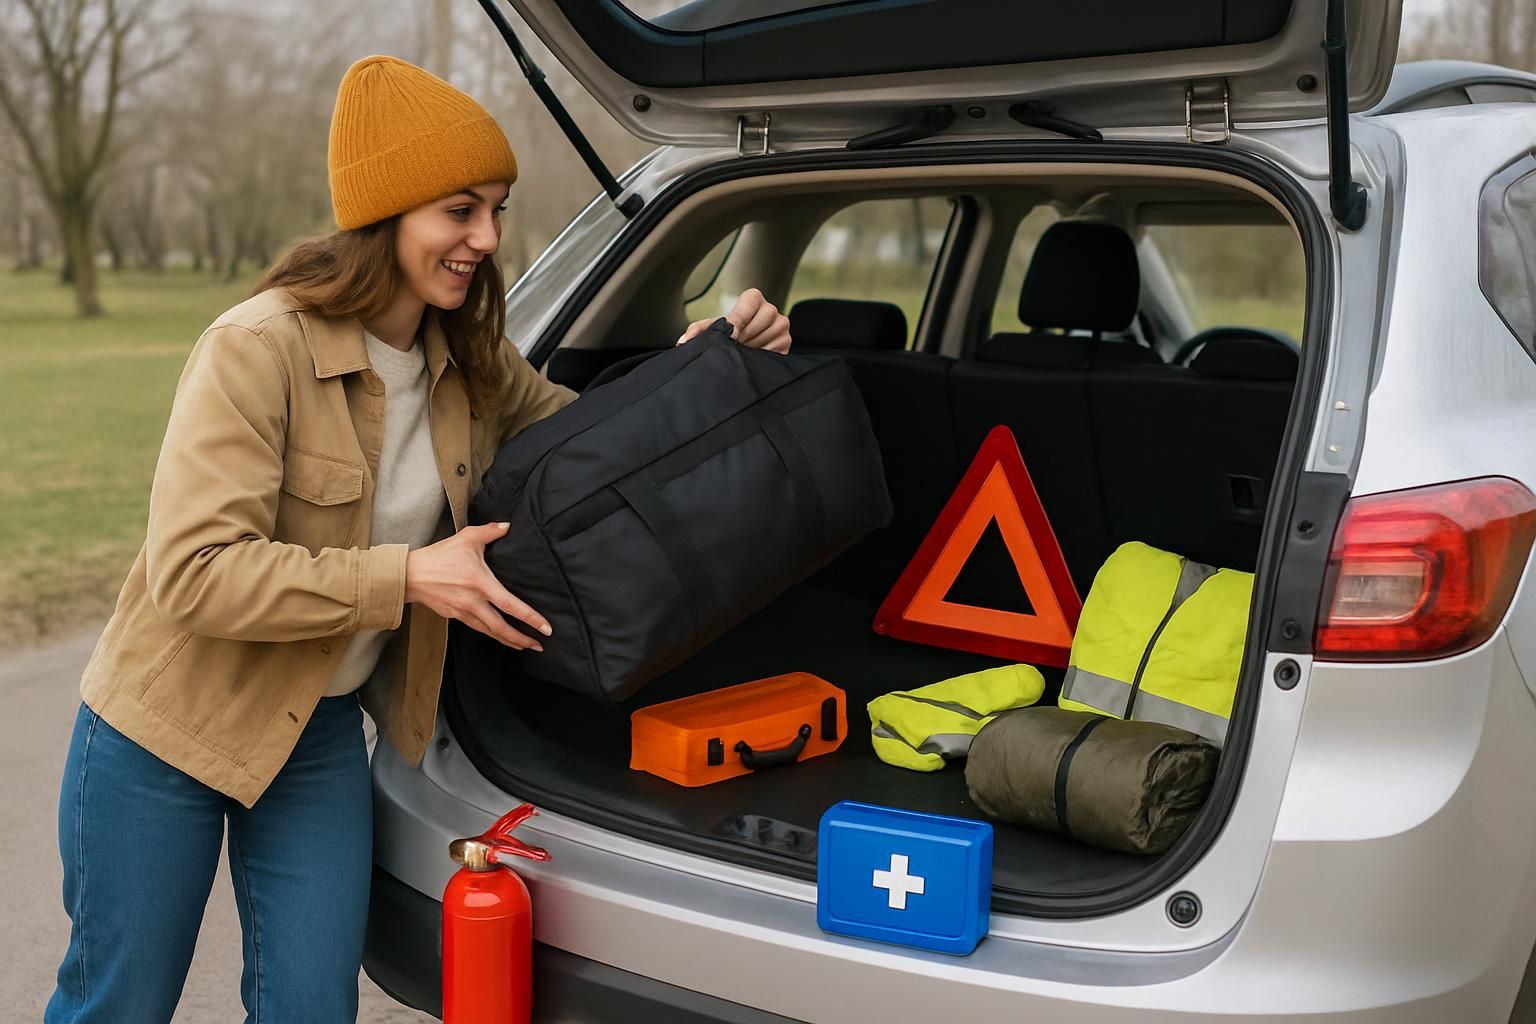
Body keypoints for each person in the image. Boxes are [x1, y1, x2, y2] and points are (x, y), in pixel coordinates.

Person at [44, 54, 791, 1024]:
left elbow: (595, 446)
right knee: (119, 1005)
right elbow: (195, 574)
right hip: (165, 730)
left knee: (312, 1007)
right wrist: (407, 576)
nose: (487, 238)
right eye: (460, 210)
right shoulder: (255, 348)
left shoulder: (473, 360)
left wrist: (702, 365)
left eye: (496, 211)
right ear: (386, 212)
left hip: (312, 734)